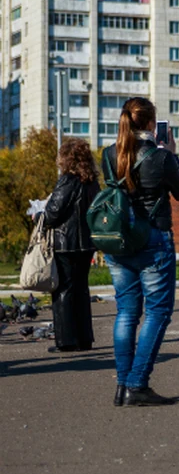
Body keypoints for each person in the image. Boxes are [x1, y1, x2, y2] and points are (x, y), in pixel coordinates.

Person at [103, 97, 179, 407]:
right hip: (154, 240)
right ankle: (137, 384)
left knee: (126, 313)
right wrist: (172, 156)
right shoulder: (160, 157)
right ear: (153, 123)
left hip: (119, 242)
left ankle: (122, 386)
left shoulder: (108, 155)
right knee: (157, 312)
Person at [43, 137, 100, 354]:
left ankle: (66, 341)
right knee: (81, 290)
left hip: (66, 243)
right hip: (87, 243)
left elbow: (53, 213)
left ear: (67, 158)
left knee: (64, 290)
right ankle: (85, 339)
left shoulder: (67, 180)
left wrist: (40, 213)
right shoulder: (92, 182)